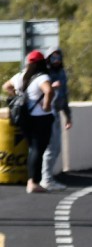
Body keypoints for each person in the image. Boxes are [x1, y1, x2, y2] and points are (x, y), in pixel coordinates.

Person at [4, 51, 55, 194]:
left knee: (33, 148)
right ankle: (33, 182)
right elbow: (49, 91)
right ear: (41, 63)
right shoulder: (42, 77)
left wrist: (18, 96)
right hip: (40, 119)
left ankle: (32, 181)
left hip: (25, 118)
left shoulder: (20, 76)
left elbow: (6, 86)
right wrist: (46, 105)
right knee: (37, 150)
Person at [41, 48, 72, 191]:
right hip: (45, 113)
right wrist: (51, 86)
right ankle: (45, 179)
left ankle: (48, 178)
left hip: (57, 113)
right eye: (53, 58)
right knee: (50, 148)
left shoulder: (61, 73)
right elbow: (38, 91)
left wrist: (68, 116)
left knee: (56, 148)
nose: (56, 61)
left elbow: (64, 96)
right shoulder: (44, 73)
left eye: (58, 57)